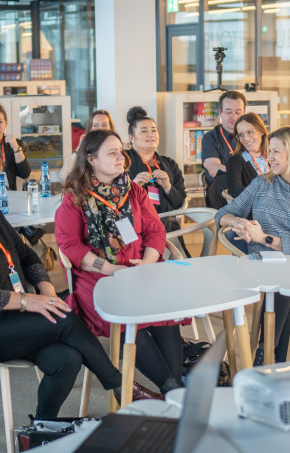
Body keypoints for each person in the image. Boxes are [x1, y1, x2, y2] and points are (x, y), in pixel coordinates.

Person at [0, 138, 160, 420]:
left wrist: (45, 288)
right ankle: (121, 387)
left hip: (4, 312)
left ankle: (42, 427)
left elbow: (27, 256)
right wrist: (25, 301)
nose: (0, 182)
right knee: (66, 318)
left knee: (66, 359)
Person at [55, 130, 187, 396]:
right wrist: (110, 269)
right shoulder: (75, 198)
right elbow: (70, 245)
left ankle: (174, 390)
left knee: (165, 311)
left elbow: (155, 230)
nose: (121, 158)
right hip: (99, 275)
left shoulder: (134, 190)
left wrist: (149, 261)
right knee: (128, 316)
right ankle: (172, 390)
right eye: (112, 153)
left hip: (141, 267)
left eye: (121, 151)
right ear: (91, 159)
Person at [216, 125, 290, 364]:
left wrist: (262, 238)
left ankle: (264, 352)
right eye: (269, 151)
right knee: (283, 282)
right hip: (262, 264)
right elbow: (221, 215)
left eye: (276, 152)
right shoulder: (263, 183)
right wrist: (239, 221)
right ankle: (274, 359)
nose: (268, 158)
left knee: (286, 281)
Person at [125, 106, 187, 233]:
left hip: (166, 225)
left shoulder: (169, 164)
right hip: (137, 226)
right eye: (143, 131)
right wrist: (134, 187)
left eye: (154, 130)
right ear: (131, 138)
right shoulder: (122, 162)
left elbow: (179, 203)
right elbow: (114, 201)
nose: (150, 135)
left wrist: (168, 187)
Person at [202, 90, 247, 209]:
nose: (234, 117)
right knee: (222, 179)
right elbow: (213, 169)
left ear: (244, 113)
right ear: (220, 113)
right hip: (220, 193)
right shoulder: (210, 138)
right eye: (229, 112)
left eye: (238, 112)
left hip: (247, 187)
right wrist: (244, 174)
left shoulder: (251, 135)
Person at [225, 112, 270, 198]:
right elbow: (235, 190)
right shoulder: (235, 161)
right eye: (241, 135)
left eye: (249, 132)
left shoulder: (272, 156)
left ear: (261, 131)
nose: (245, 138)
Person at [61, 110, 115, 180]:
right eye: (95, 125)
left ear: (110, 128)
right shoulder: (86, 148)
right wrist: (80, 147)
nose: (100, 129)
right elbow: (64, 175)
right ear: (90, 128)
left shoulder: (116, 147)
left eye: (104, 125)